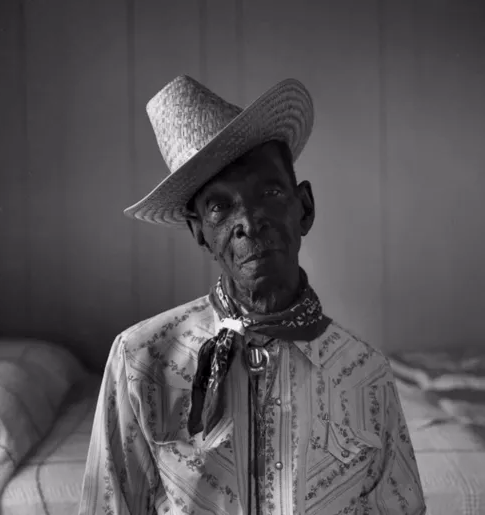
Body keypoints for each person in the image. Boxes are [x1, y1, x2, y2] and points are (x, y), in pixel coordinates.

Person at [78, 75, 426, 515]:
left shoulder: (366, 374)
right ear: (199, 232)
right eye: (220, 206)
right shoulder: (140, 361)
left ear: (304, 208)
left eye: (270, 191)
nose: (249, 220)